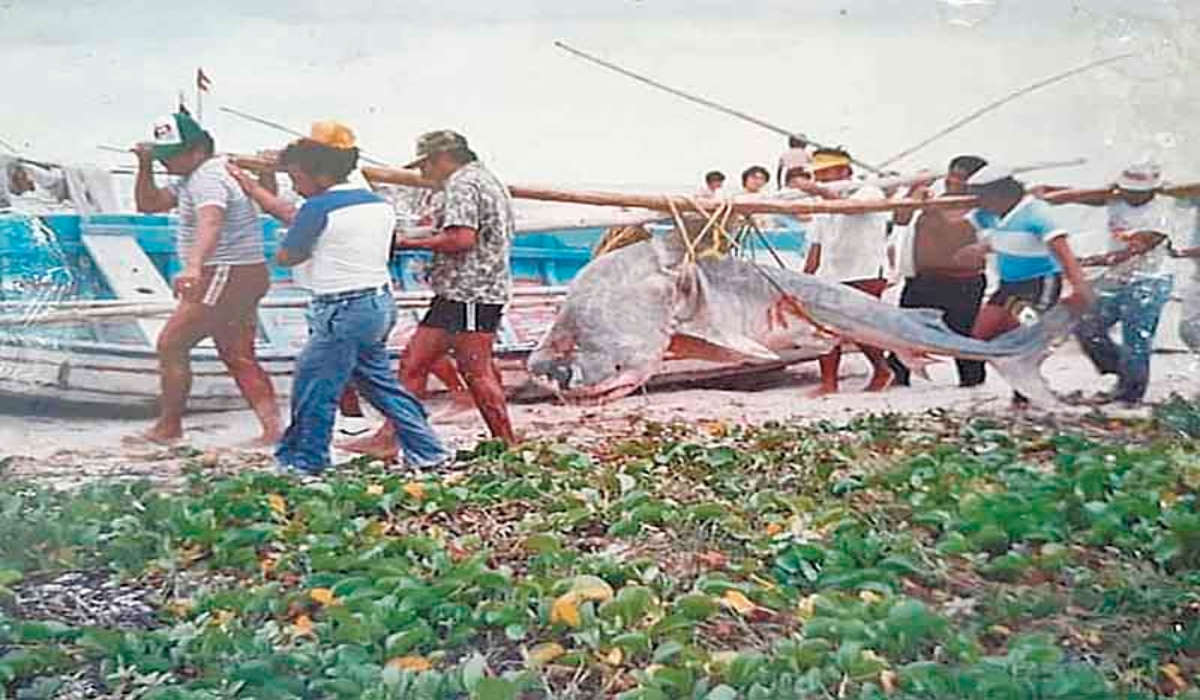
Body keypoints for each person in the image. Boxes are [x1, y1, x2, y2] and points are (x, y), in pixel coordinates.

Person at [227, 122, 448, 474]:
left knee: (314, 387)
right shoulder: (378, 204)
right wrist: (259, 190)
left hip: (341, 307)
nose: (295, 185)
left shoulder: (318, 208)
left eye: (296, 177)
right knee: (380, 384)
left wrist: (288, 234)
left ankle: (306, 462)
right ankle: (429, 451)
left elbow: (288, 256)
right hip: (377, 303)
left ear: (319, 173)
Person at [344, 130, 518, 458]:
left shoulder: (462, 185)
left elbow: (462, 239)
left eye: (425, 166)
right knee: (414, 361)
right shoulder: (484, 178)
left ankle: (506, 441)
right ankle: (390, 436)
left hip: (471, 291)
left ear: (442, 159)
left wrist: (408, 242)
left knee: (475, 370)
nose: (424, 174)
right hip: (463, 290)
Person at [126, 112, 281, 445]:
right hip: (245, 273)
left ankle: (168, 428)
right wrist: (145, 165)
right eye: (162, 157)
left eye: (172, 156)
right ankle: (273, 430)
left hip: (224, 271)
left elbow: (211, 220)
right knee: (238, 354)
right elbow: (149, 204)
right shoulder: (192, 176)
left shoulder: (206, 178)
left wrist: (194, 266)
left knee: (171, 344)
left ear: (198, 150)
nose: (166, 163)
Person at [955, 164, 1093, 406]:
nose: (978, 201)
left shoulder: (1036, 214)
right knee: (980, 335)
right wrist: (979, 248)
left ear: (1000, 193)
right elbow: (998, 237)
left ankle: (1024, 394)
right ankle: (1028, 386)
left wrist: (1079, 287)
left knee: (1024, 334)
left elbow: (1064, 253)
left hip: (1040, 285)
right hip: (1008, 286)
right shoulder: (987, 214)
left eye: (981, 195)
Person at [1065, 163, 1175, 405]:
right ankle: (1122, 372)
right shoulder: (1116, 199)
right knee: (1086, 326)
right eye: (1125, 189)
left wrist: (1080, 261)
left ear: (1152, 190)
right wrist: (1048, 193)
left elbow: (1133, 250)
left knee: (1135, 339)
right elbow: (1079, 197)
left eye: (1136, 191)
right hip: (1117, 278)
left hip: (1150, 280)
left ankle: (1130, 395)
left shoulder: (1161, 211)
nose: (1129, 194)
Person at [887, 155, 990, 388]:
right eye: (950, 175)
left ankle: (972, 383)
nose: (951, 181)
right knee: (904, 331)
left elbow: (956, 222)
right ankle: (897, 378)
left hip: (964, 281)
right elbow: (899, 218)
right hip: (924, 279)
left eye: (959, 178)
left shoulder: (980, 206)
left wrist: (932, 205)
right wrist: (914, 193)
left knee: (961, 335)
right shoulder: (931, 201)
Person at [802, 148, 893, 395]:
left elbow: (855, 209)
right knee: (824, 329)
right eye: (817, 174)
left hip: (864, 270)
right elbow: (817, 242)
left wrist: (821, 192)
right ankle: (828, 383)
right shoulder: (822, 201)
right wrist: (806, 276)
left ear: (844, 171)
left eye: (825, 172)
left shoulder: (869, 191)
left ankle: (882, 370)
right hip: (831, 272)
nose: (820, 178)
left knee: (860, 329)